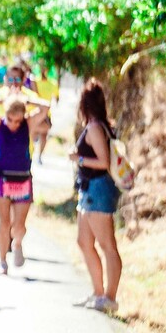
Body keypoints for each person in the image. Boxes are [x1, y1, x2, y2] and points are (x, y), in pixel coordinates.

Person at [0, 91, 50, 274]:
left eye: (17, 120)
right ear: (6, 114)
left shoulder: (28, 124)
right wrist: (5, 100)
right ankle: (2, 260)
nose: (13, 124)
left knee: (18, 225)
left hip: (22, 178)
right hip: (1, 177)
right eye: (10, 119)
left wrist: (27, 101)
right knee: (4, 223)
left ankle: (17, 243)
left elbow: (45, 107)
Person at [69, 79, 122, 313]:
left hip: (98, 189)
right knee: (84, 241)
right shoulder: (100, 125)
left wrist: (78, 159)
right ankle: (98, 292)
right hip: (89, 190)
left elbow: (103, 162)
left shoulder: (94, 127)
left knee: (108, 245)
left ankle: (109, 297)